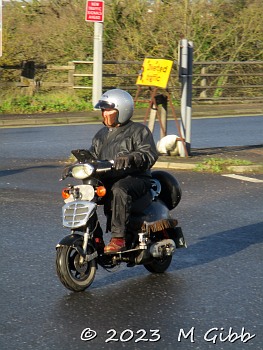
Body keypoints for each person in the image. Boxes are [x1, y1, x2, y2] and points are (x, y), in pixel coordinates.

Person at [88, 88, 158, 254]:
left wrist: (132, 158)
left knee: (119, 189)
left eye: (109, 110)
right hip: (108, 177)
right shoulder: (101, 135)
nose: (105, 113)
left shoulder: (138, 131)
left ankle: (118, 239)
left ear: (123, 110)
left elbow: (149, 154)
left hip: (136, 178)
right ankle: (94, 237)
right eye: (103, 110)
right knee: (83, 193)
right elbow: (92, 156)